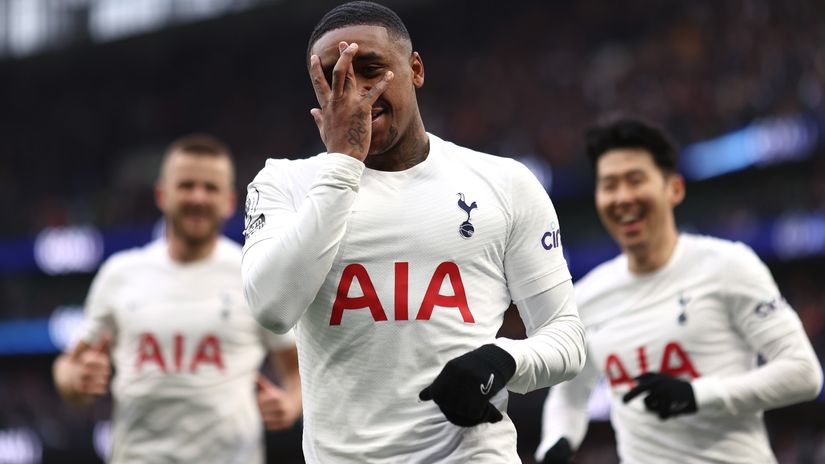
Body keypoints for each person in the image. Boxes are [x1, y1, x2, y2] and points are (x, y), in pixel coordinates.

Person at [240, 1, 586, 462]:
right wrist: (344, 163)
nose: (355, 92)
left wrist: (504, 361)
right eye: (333, 78)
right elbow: (273, 308)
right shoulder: (283, 183)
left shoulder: (505, 183)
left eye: (370, 69)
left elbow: (566, 336)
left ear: (416, 69)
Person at [535, 117, 823, 464]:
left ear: (674, 189)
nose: (623, 197)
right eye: (609, 185)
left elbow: (803, 373)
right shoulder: (586, 297)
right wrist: (557, 441)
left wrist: (697, 395)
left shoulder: (729, 265)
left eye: (635, 180)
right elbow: (569, 395)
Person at [53, 134, 302, 463]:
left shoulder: (252, 275)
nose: (198, 197)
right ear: (161, 194)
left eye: (210, 188)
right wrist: (76, 379)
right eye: (186, 185)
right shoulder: (120, 274)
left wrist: (290, 405)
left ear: (229, 201)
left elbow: (297, 372)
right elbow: (67, 365)